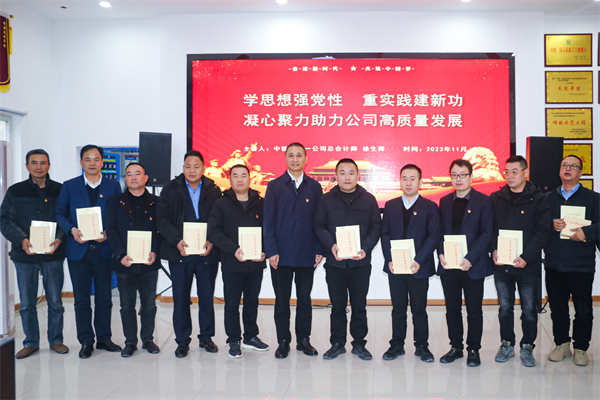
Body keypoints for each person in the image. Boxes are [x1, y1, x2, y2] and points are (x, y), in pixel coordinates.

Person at [55, 144, 122, 359]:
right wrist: (71, 230)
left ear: (102, 162)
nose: (92, 163)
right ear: (81, 162)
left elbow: (118, 215)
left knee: (104, 297)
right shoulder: (69, 186)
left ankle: (104, 338)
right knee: (81, 299)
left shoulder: (113, 186)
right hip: (78, 251)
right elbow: (60, 213)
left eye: (96, 159)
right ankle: (86, 340)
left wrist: (109, 232)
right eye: (87, 159)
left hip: (104, 250)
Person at [0, 149, 67, 359]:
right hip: (25, 255)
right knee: (27, 303)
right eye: (34, 163)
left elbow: (67, 218)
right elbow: (4, 219)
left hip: (53, 253)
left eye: (43, 162)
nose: (39, 167)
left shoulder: (60, 190)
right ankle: (31, 342)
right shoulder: (15, 190)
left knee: (55, 301)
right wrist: (22, 239)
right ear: (27, 166)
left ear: (49, 165)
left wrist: (60, 238)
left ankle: (56, 340)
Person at [313, 158, 381, 361]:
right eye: (342, 173)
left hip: (360, 263)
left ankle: (359, 344)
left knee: (359, 305)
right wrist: (331, 245)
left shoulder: (369, 200)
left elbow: (376, 227)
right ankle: (337, 344)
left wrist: (365, 248)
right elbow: (318, 225)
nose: (347, 177)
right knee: (338, 306)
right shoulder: (326, 200)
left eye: (351, 173)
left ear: (358, 175)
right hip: (335, 263)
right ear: (336, 176)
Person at [156, 150, 222, 358]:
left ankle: (206, 337)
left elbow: (219, 219)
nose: (192, 170)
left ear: (203, 168)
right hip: (180, 253)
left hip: (206, 252)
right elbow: (162, 219)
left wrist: (212, 240)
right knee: (181, 298)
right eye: (188, 166)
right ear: (183, 168)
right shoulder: (170, 189)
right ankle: (182, 340)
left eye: (196, 166)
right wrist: (176, 240)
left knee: (206, 297)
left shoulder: (213, 189)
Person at [489, 155, 551, 367]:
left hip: (527, 265)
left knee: (529, 309)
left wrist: (526, 257)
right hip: (502, 265)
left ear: (526, 173)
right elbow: (489, 228)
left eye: (515, 171)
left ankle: (527, 346)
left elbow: (543, 231)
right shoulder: (496, 197)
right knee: (505, 308)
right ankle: (506, 343)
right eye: (507, 172)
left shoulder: (539, 199)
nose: (510, 176)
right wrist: (493, 249)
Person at [263, 143, 324, 359]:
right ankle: (283, 341)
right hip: (281, 254)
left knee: (304, 299)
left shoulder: (314, 187)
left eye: (299, 155)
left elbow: (320, 221)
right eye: (291, 155)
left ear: (306, 159)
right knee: (282, 300)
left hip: (307, 253)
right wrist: (271, 250)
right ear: (285, 158)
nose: (295, 159)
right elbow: (268, 222)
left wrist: (319, 248)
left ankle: (303, 340)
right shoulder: (275, 186)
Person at [380, 164, 440, 363]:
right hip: (396, 267)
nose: (408, 182)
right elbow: (385, 234)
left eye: (412, 178)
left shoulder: (430, 207)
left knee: (419, 309)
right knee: (398, 309)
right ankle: (396, 345)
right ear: (400, 181)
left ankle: (422, 346)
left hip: (419, 267)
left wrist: (419, 260)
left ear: (420, 182)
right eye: (404, 178)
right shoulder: (391, 206)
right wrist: (389, 259)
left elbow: (433, 236)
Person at [544, 155, 600, 367]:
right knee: (558, 309)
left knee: (583, 310)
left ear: (580, 172)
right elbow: (537, 223)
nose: (568, 168)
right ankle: (562, 345)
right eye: (564, 165)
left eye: (573, 166)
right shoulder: (547, 198)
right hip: (554, 263)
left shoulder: (593, 198)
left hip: (581, 264)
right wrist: (551, 224)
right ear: (559, 171)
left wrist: (587, 232)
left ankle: (581, 348)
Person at [437, 159, 494, 367]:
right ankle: (456, 347)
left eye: (462, 175)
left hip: (473, 265)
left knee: (474, 310)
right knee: (452, 309)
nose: (458, 179)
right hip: (449, 265)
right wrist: (440, 253)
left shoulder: (484, 201)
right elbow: (438, 232)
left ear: (471, 176)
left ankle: (473, 349)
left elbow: (486, 233)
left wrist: (471, 258)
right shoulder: (444, 201)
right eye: (454, 175)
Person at [207, 164, 268, 359]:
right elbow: (213, 232)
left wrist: (265, 251)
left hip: (255, 262)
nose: (240, 179)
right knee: (232, 304)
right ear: (230, 179)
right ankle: (234, 339)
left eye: (243, 175)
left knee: (252, 302)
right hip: (232, 262)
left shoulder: (261, 203)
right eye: (235, 176)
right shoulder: (221, 203)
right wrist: (233, 249)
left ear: (250, 178)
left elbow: (269, 230)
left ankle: (250, 337)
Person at [105, 163, 161, 357]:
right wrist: (120, 254)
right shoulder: (115, 201)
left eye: (138, 173)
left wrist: (155, 252)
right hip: (125, 262)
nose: (133, 177)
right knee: (127, 305)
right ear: (125, 179)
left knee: (149, 305)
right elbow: (111, 229)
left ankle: (148, 340)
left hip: (149, 262)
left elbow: (161, 229)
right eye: (129, 174)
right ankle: (130, 342)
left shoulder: (156, 202)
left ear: (146, 178)